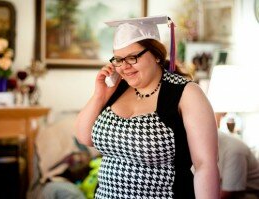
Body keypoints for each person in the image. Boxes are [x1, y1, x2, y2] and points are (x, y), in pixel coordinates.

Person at [76, 15, 219, 198]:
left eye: (132, 57)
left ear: (157, 56)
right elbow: (84, 137)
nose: (124, 67)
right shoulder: (117, 89)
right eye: (118, 59)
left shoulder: (186, 93)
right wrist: (99, 96)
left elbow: (205, 166)